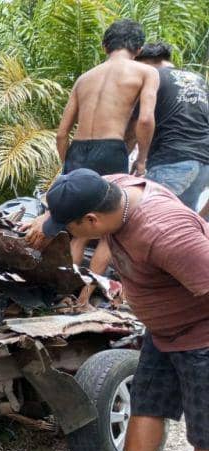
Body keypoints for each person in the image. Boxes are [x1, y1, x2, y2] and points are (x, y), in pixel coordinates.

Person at [44, 169, 209, 451]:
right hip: (164, 328)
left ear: (93, 223)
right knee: (147, 404)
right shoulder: (112, 187)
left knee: (206, 433)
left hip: (202, 334)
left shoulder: (165, 231)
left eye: (70, 227)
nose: (68, 232)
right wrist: (45, 220)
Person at [24, 19, 160, 295]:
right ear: (139, 47)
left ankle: (64, 294)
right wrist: (142, 159)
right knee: (109, 232)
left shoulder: (85, 78)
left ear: (104, 46)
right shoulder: (145, 72)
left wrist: (67, 168)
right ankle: (84, 297)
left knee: (75, 228)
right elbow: (145, 119)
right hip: (110, 149)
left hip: (77, 149)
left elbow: (61, 134)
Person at [133, 41, 209, 216]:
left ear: (146, 62)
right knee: (180, 223)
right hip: (204, 162)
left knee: (144, 218)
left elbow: (141, 122)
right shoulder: (197, 79)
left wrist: (140, 160)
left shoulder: (153, 77)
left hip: (172, 159)